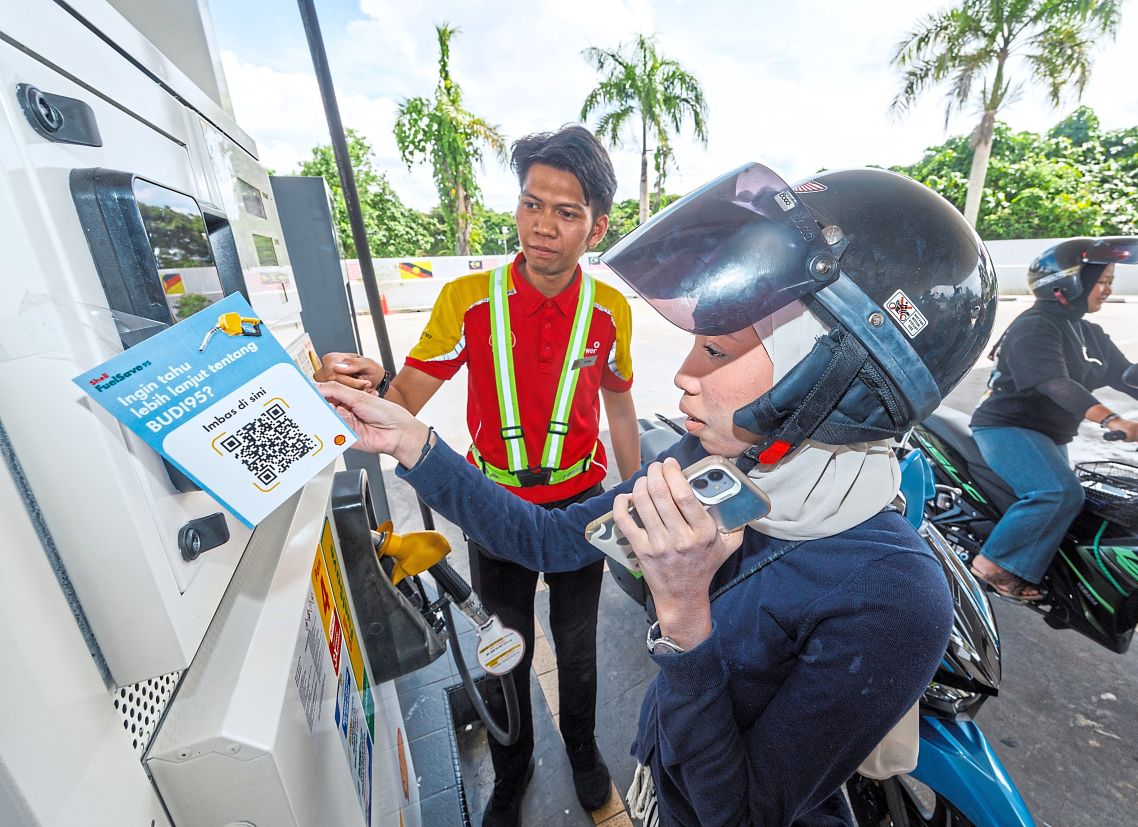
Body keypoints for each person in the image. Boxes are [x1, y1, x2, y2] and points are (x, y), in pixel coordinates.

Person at [319, 164, 998, 825]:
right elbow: (550, 539)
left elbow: (736, 811)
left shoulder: (895, 598)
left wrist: (684, 616)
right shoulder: (718, 459)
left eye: (718, 351)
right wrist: (408, 439)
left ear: (829, 375)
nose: (682, 374)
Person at [315, 126, 640, 824]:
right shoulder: (467, 299)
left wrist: (633, 503)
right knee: (504, 651)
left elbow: (619, 404)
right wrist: (354, 385)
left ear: (598, 224)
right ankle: (513, 769)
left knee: (579, 649)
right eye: (531, 204)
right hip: (493, 510)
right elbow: (402, 404)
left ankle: (585, 757)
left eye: (566, 212)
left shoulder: (610, 312)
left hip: (583, 508)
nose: (542, 226)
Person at [969, 237, 1138, 600]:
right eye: (1102, 281)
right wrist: (1114, 420)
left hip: (1051, 434)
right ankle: (994, 566)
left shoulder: (1088, 331)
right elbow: (1056, 384)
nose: (1107, 290)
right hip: (1008, 427)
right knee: (1057, 493)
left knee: (1073, 504)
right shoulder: (1035, 326)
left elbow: (1127, 376)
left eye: (1110, 281)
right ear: (1068, 283)